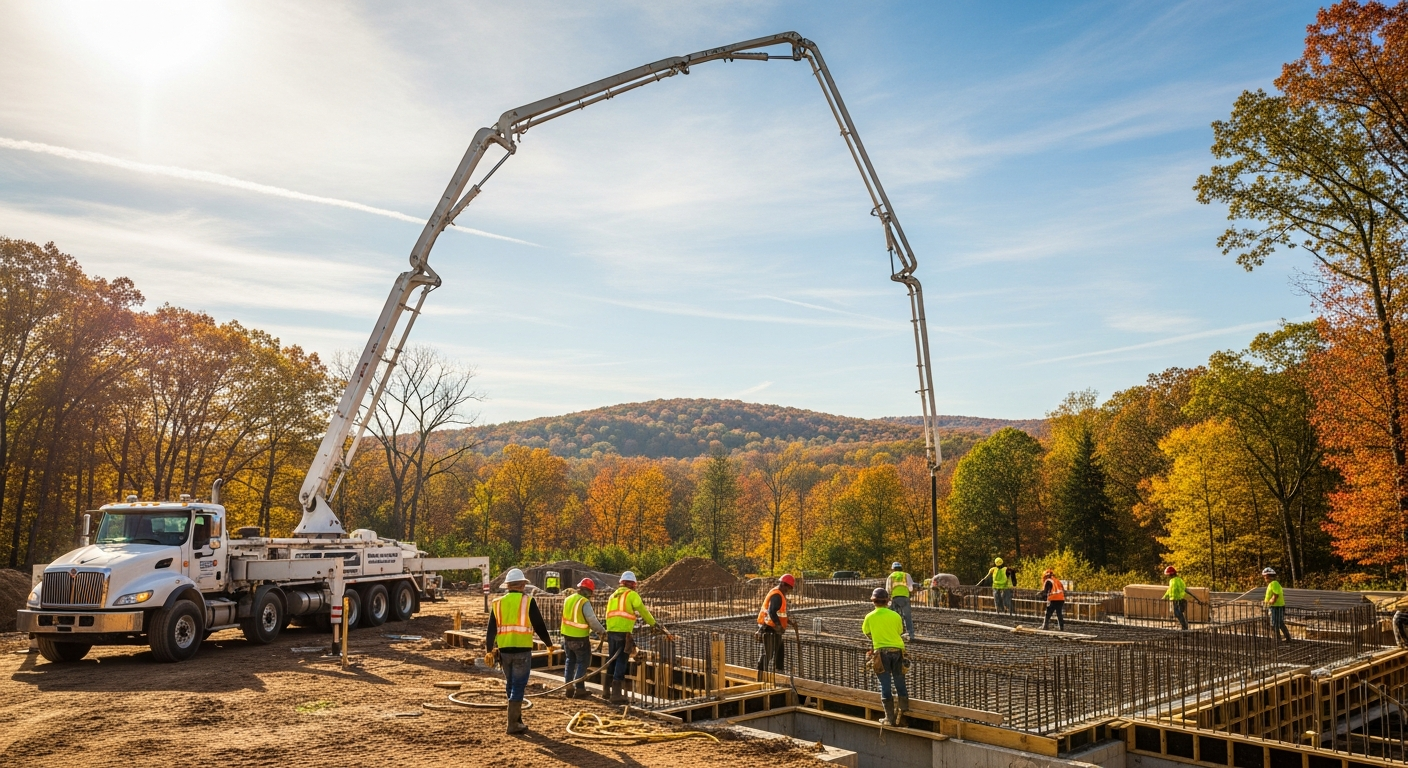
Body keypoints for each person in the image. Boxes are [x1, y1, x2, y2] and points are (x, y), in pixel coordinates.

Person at [486, 568, 554, 734]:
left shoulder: (498, 603)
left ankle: (516, 719)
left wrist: (489, 650)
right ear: (523, 584)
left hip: (504, 651)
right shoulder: (527, 601)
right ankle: (513, 723)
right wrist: (549, 644)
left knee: (510, 683)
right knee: (518, 685)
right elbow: (539, 625)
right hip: (522, 650)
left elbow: (491, 629)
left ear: (507, 585)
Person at [603, 570, 670, 704]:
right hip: (623, 632)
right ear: (633, 584)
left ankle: (606, 691)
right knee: (621, 661)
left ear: (621, 583)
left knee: (611, 660)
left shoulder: (612, 596)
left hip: (611, 631)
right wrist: (654, 624)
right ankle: (616, 695)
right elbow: (643, 610)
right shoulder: (631, 594)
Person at [862, 587, 908, 726]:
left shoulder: (869, 617)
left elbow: (867, 632)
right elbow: (900, 631)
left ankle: (889, 718)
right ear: (887, 601)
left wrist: (878, 638)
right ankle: (904, 714)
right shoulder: (896, 615)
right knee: (900, 682)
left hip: (881, 654)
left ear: (874, 601)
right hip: (898, 651)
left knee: (885, 685)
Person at [560, 577, 606, 699]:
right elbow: (592, 620)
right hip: (579, 638)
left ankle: (568, 687)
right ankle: (579, 688)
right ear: (588, 591)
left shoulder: (568, 599)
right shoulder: (584, 602)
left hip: (567, 637)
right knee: (583, 662)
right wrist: (601, 631)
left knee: (570, 661)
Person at [756, 574, 795, 681]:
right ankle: (761, 675)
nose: (788, 590)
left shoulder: (779, 594)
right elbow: (771, 612)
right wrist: (778, 626)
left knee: (779, 649)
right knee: (767, 653)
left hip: (774, 627)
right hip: (768, 627)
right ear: (782, 584)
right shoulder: (777, 595)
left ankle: (779, 670)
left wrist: (787, 621)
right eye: (787, 588)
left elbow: (779, 613)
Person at [887, 562, 916, 642]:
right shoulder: (906, 575)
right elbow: (911, 587)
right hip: (905, 598)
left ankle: (896, 634)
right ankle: (910, 634)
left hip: (895, 598)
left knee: (896, 617)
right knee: (907, 617)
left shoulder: (891, 576)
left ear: (893, 569)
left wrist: (888, 598)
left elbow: (888, 589)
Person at [1263, 567, 1292, 642]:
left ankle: (1279, 639)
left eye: (1265, 576)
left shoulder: (1274, 583)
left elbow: (1276, 594)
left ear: (1268, 576)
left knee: (1275, 623)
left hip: (1276, 606)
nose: (1264, 578)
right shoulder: (1272, 584)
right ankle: (1282, 638)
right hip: (1275, 606)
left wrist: (1271, 601)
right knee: (1277, 622)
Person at [1162, 566, 1190, 630]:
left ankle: (1184, 626)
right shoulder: (1180, 580)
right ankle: (1184, 626)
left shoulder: (1172, 581)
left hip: (1176, 599)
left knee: (1177, 613)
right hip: (1181, 599)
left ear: (1170, 574)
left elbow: (1171, 590)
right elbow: (1173, 589)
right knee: (1179, 613)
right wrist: (1165, 596)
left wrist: (1166, 596)